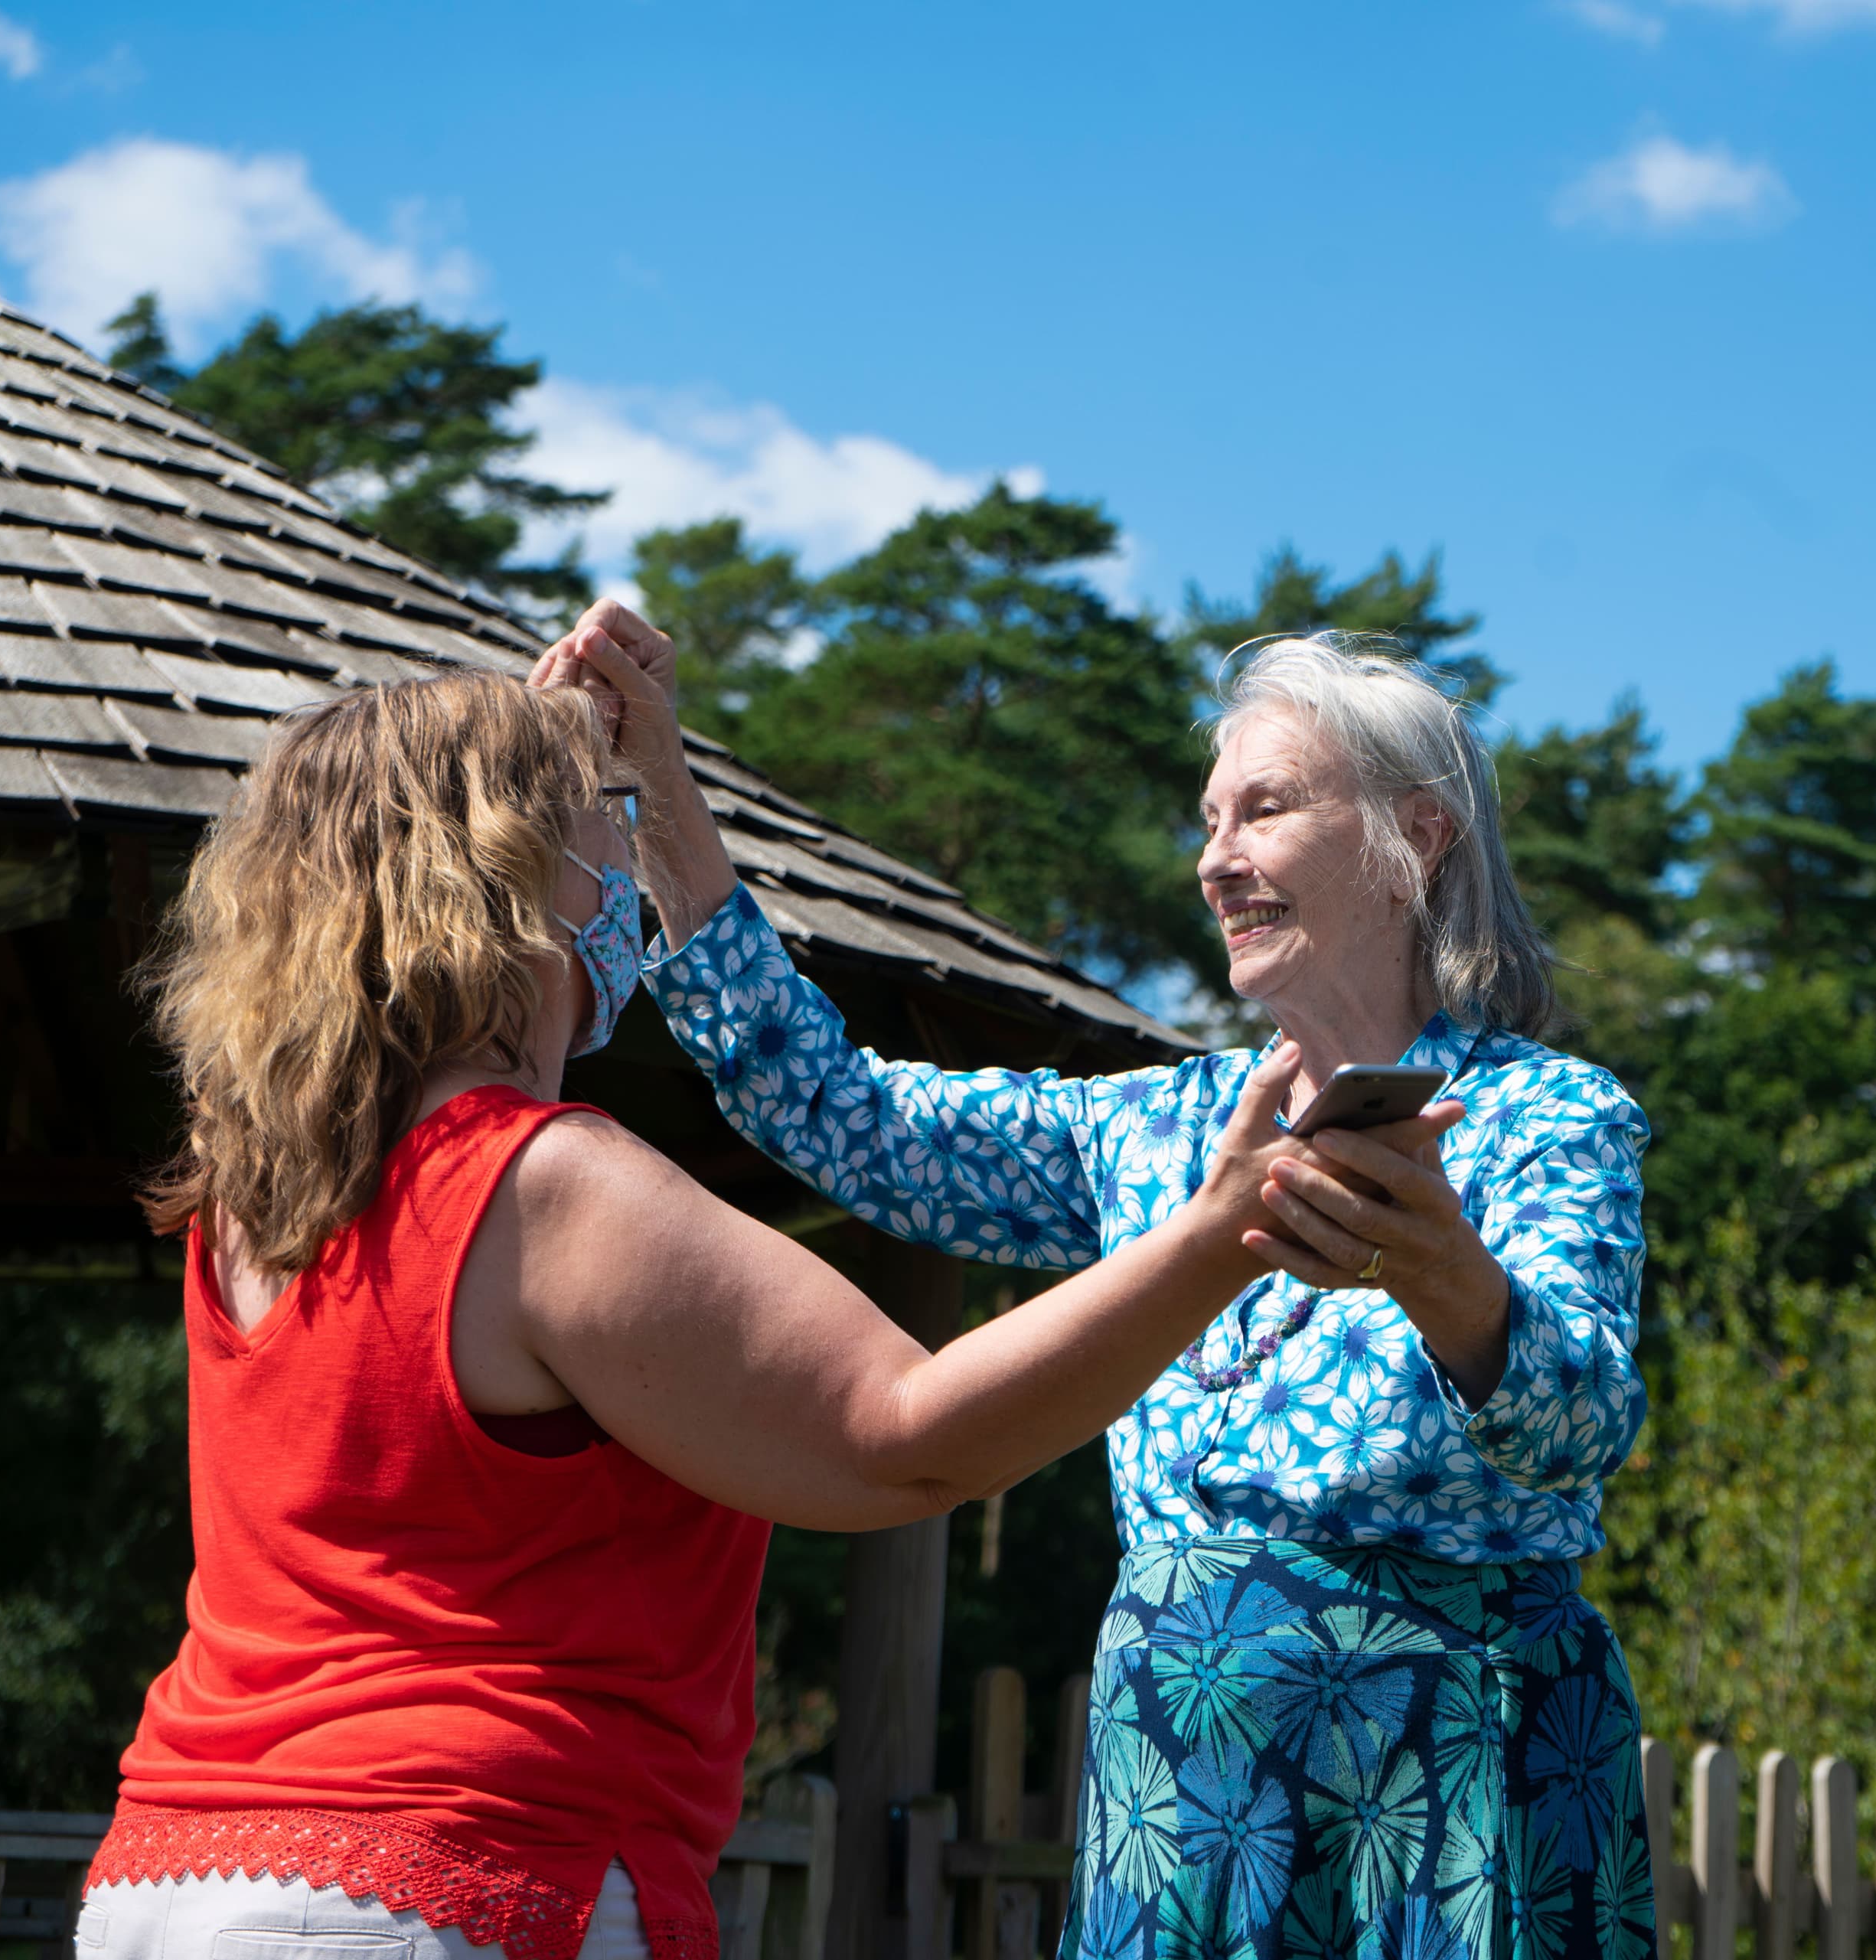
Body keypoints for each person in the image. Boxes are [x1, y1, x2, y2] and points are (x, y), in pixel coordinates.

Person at [81, 660, 1321, 1960]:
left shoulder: (257, 1199)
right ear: (506, 874)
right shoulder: (543, 1181)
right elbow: (906, 1434)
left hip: (170, 1870)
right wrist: (1222, 1233)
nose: (616, 857)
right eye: (592, 821)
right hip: (447, 1875)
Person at [560, 611, 1656, 1957]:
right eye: (1209, 819)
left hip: (1457, 1780)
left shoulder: (1547, 1117)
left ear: (1417, 835)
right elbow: (835, 1110)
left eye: (1266, 809)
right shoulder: (1149, 1130)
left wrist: (1456, 1287)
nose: (1216, 860)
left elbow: (1588, 1425)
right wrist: (658, 785)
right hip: (1181, 1784)